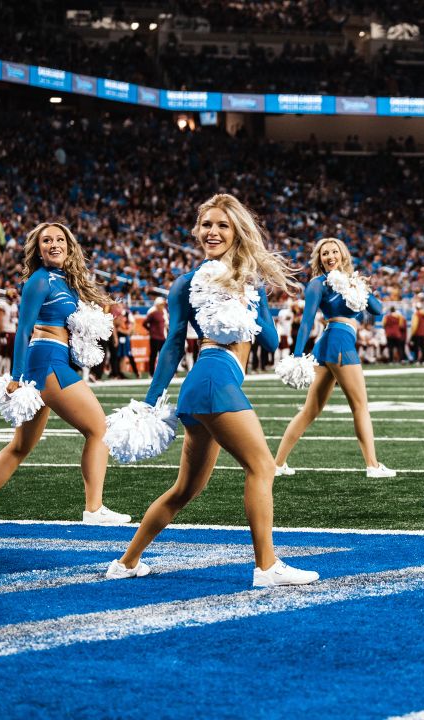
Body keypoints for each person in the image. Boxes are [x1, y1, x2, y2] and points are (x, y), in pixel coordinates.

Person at [106, 193, 318, 587]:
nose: (213, 231)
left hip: (208, 385)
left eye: (222, 224)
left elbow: (269, 340)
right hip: (212, 377)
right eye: (207, 224)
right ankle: (267, 567)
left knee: (186, 488)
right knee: (262, 467)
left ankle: (126, 562)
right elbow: (172, 345)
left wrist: (259, 298)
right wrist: (148, 404)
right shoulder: (187, 283)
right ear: (197, 231)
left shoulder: (248, 280)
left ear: (237, 230)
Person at [0, 222, 130, 525]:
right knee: (99, 430)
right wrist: (15, 376)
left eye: (59, 239)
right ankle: (94, 509)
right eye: (46, 241)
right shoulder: (40, 280)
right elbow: (24, 328)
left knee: (20, 446)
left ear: (69, 245)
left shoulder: (65, 280)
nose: (54, 244)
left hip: (51, 361)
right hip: (48, 362)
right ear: (37, 249)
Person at [273, 238, 396, 478]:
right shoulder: (318, 284)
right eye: (324, 253)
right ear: (319, 258)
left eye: (334, 252)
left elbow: (377, 309)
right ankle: (372, 465)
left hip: (333, 344)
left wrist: (357, 285)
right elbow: (307, 320)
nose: (330, 256)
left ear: (342, 255)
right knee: (360, 406)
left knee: (310, 410)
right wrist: (297, 354)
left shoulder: (352, 281)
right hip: (337, 341)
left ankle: (277, 464)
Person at [143, 297, 167, 376]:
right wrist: (150, 330)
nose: (163, 306)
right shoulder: (152, 313)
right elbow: (144, 323)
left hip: (162, 337)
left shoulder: (163, 312)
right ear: (157, 305)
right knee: (153, 355)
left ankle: (161, 372)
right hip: (154, 337)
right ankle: (151, 372)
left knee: (162, 355)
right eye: (161, 305)